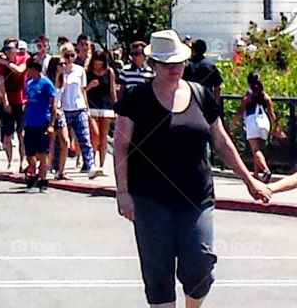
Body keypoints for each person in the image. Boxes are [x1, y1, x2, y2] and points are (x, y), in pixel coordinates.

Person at [114, 29, 270, 307]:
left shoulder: (200, 95)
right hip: (150, 198)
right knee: (158, 272)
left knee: (200, 265)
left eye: (178, 61)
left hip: (196, 197)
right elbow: (122, 148)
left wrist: (249, 180)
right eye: (166, 62)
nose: (174, 67)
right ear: (153, 64)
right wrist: (123, 192)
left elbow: (221, 141)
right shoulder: (136, 99)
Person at [56, 42, 95, 175]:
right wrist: (60, 73)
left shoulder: (79, 70)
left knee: (85, 138)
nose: (70, 58)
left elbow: (82, 90)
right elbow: (57, 90)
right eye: (67, 55)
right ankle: (57, 166)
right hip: (64, 109)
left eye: (73, 55)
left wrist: (87, 108)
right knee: (62, 141)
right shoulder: (59, 71)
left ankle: (91, 165)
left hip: (79, 107)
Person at [23, 57, 57, 191]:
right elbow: (28, 104)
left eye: (29, 70)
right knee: (29, 153)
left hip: (42, 121)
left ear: (35, 70)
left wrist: (51, 124)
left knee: (43, 153)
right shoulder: (29, 83)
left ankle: (43, 179)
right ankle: (33, 172)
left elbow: (53, 105)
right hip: (30, 122)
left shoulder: (46, 83)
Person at [236, 71, 276, 182]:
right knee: (260, 151)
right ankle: (256, 175)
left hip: (253, 121)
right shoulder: (265, 96)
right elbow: (272, 114)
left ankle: (266, 170)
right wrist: (275, 126)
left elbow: (241, 110)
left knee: (256, 150)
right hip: (265, 122)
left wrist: (234, 123)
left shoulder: (248, 95)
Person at [0, 39, 28, 172]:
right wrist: (5, 101)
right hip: (8, 100)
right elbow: (1, 83)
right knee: (7, 135)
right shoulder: (0, 64)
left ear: (16, 49)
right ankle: (9, 162)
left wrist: (6, 63)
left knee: (22, 133)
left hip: (22, 100)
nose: (8, 51)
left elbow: (20, 71)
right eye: (6, 48)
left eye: (11, 48)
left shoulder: (24, 58)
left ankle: (23, 161)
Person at [85, 49, 117, 176]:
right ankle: (90, 162)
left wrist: (116, 108)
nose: (97, 66)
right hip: (91, 105)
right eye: (95, 63)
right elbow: (82, 90)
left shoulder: (109, 72)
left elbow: (112, 90)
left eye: (100, 63)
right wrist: (90, 86)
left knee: (104, 137)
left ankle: (101, 165)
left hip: (105, 106)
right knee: (95, 134)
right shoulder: (87, 72)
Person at [45, 54, 68, 178]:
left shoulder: (62, 79)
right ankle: (48, 166)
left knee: (65, 141)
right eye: (61, 64)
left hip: (60, 111)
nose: (64, 66)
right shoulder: (48, 81)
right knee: (50, 142)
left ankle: (61, 171)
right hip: (49, 112)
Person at [183, 40, 223, 104]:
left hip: (190, 101)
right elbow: (217, 87)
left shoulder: (187, 66)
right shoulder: (211, 66)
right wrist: (216, 103)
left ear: (192, 50)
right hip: (207, 101)